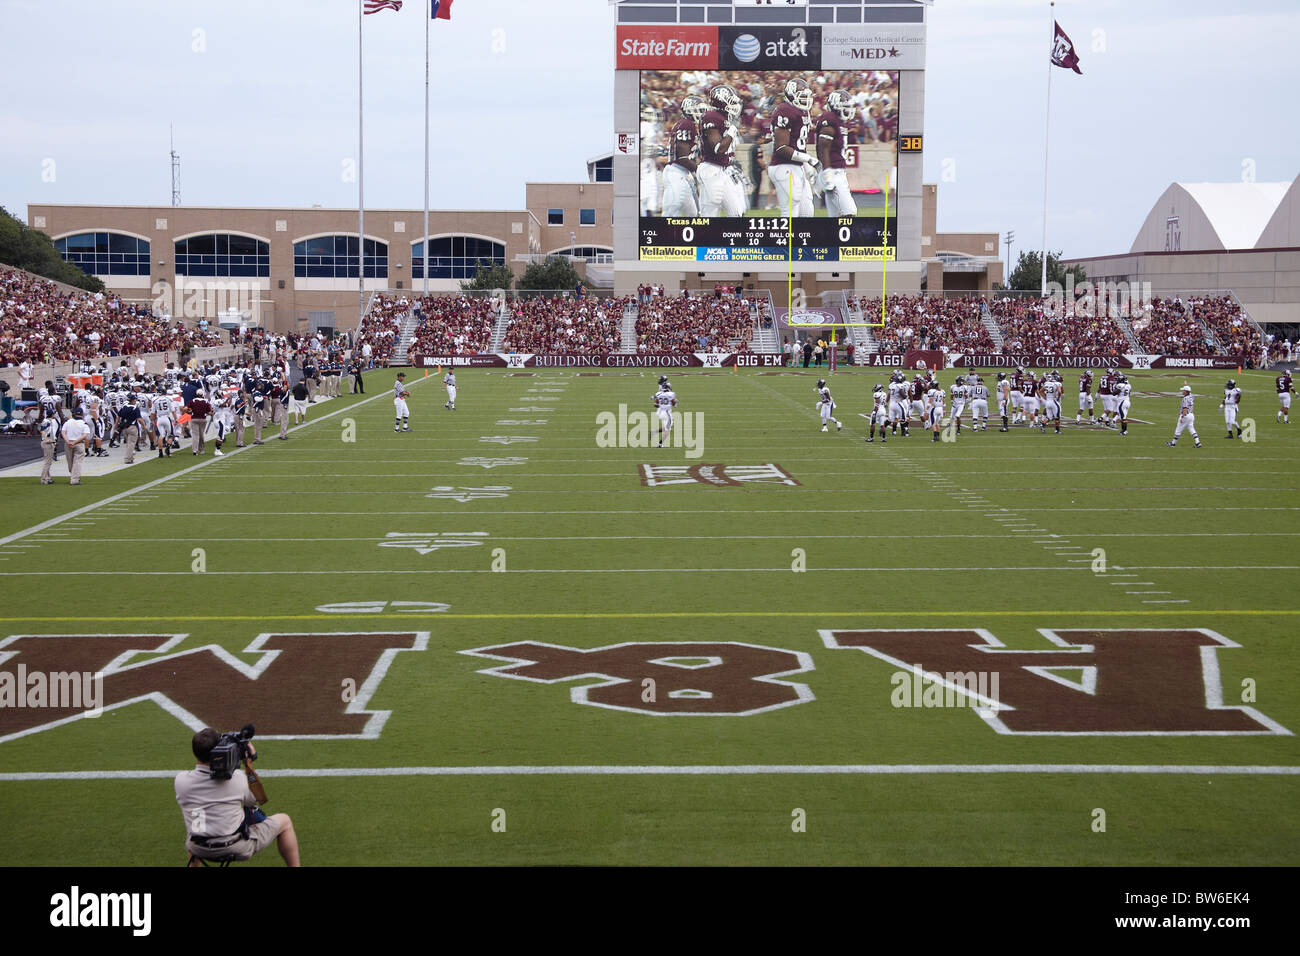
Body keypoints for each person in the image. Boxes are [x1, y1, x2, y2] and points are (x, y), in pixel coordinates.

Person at [174, 728, 300, 867]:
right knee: (285, 821)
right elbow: (255, 800)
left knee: (196, 822)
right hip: (235, 847)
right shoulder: (238, 778)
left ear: (194, 752)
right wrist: (248, 765)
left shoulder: (181, 781)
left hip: (198, 847)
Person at [60, 408, 91, 485]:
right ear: (82, 414)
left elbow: (63, 432)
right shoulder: (84, 423)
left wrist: (68, 441)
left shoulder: (68, 422)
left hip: (68, 443)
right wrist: (75, 442)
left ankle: (73, 476)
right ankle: (75, 479)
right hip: (78, 443)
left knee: (70, 461)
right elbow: (85, 435)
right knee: (77, 462)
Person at [1166, 384, 1202, 449]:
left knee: (1178, 429)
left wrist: (1182, 417)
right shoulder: (1191, 396)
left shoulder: (1185, 399)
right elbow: (1189, 394)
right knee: (1192, 429)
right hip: (1191, 415)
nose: (1182, 391)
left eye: (1183, 390)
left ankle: (1173, 444)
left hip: (1186, 415)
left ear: (1186, 391)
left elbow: (1185, 408)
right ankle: (1198, 443)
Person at [652, 376, 676, 448]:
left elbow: (655, 405)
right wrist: (675, 402)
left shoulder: (658, 393)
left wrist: (661, 404)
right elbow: (674, 404)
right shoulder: (671, 394)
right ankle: (660, 444)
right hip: (667, 413)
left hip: (661, 413)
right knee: (668, 429)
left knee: (667, 427)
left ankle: (655, 431)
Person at [38, 410, 59, 484]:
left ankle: (47, 477)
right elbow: (42, 430)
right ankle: (43, 479)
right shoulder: (47, 421)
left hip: (49, 441)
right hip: (47, 442)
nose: (55, 415)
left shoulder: (49, 421)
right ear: (52, 414)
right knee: (47, 462)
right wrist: (46, 439)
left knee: (48, 461)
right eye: (54, 414)